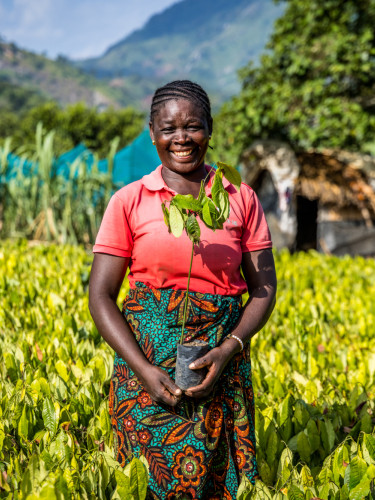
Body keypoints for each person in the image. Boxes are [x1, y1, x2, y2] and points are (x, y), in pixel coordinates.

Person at [89, 80, 277, 500]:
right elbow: (100, 295)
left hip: (220, 370)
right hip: (147, 375)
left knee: (225, 484)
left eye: (192, 126)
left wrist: (229, 348)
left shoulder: (238, 197)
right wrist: (144, 370)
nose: (182, 138)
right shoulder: (129, 201)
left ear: (209, 129)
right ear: (153, 132)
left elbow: (264, 287)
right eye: (169, 128)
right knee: (148, 485)